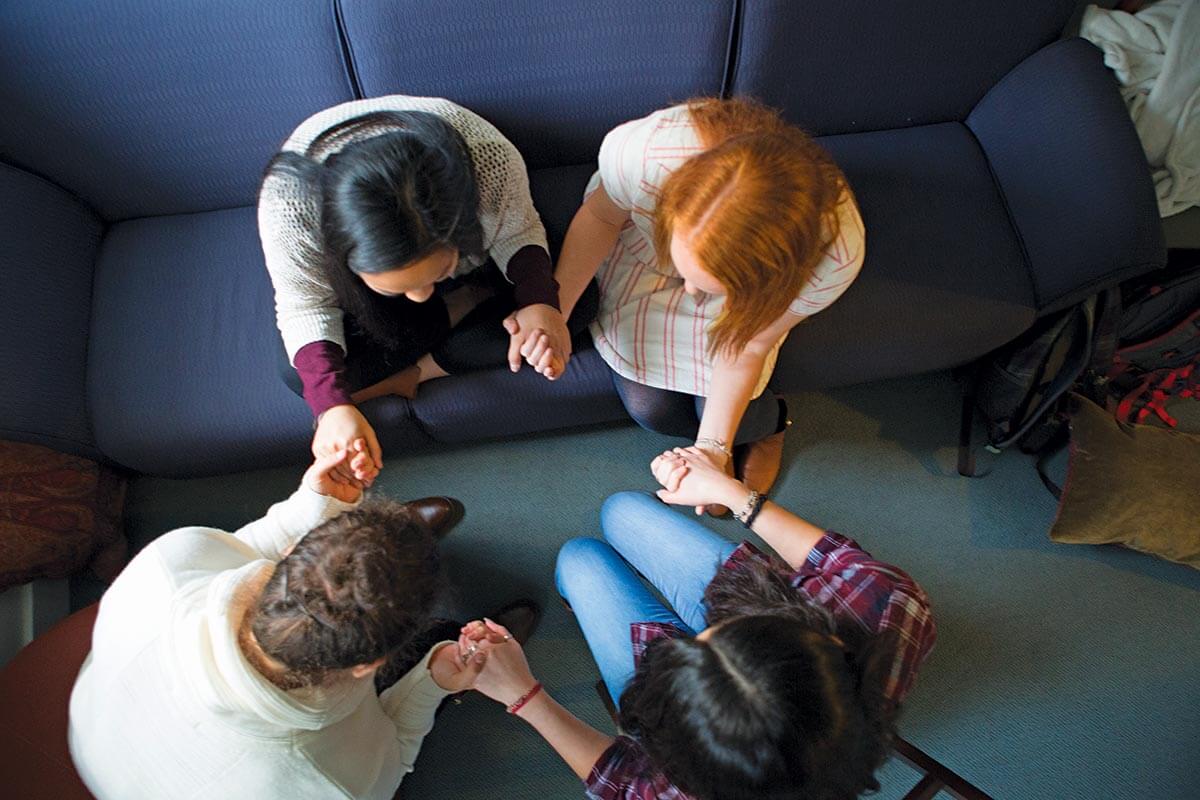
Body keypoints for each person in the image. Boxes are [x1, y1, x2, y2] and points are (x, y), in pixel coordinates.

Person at [460, 449, 935, 800]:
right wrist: (732, 492)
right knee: (621, 511)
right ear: (825, 640)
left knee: (579, 558)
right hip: (764, 626)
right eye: (726, 631)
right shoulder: (889, 605)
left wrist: (525, 696)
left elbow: (619, 781)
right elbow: (836, 560)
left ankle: (581, 590)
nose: (701, 627)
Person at [67, 450, 529, 800]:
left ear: (290, 555)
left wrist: (309, 505)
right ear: (369, 666)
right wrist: (433, 681)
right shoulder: (328, 778)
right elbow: (398, 752)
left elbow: (240, 550)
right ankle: (446, 657)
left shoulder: (172, 562)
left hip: (100, 727)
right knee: (432, 658)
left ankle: (375, 562)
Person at [259, 95, 598, 487]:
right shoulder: (289, 205)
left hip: (478, 266)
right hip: (369, 302)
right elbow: (306, 306)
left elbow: (517, 231)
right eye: (404, 285)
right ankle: (452, 310)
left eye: (436, 274)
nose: (422, 295)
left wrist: (540, 302)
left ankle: (421, 367)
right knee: (301, 373)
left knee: (576, 301)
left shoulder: (488, 157)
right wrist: (331, 409)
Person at [552, 97, 866, 509]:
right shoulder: (647, 154)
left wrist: (714, 449)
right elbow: (602, 217)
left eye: (705, 287)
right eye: (689, 277)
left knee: (734, 410)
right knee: (651, 406)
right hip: (641, 248)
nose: (690, 294)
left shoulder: (836, 257)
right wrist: (556, 310)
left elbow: (749, 343)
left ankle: (768, 428)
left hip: (751, 310)